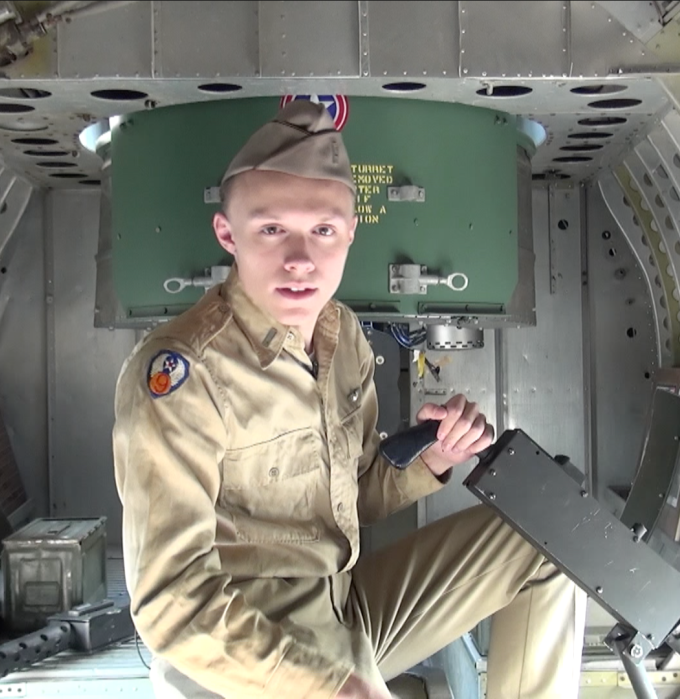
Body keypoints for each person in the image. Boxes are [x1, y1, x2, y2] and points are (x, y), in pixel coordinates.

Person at [113, 100, 584, 699]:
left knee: (548, 539)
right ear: (227, 234)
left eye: (323, 230)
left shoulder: (343, 338)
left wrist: (435, 456)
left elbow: (350, 495)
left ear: (351, 232)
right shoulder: (184, 373)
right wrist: (327, 687)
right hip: (244, 655)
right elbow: (171, 606)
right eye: (272, 229)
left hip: (344, 606)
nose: (301, 260)